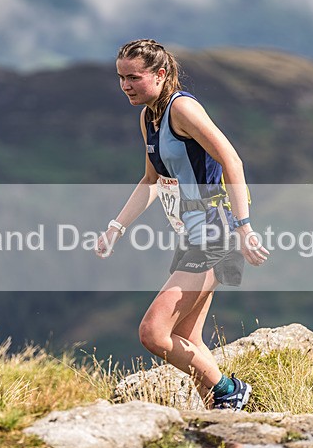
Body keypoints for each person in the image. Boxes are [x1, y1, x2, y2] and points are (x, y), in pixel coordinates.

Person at [96, 38, 269, 410]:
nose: (125, 85)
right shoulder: (148, 118)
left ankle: (228, 390)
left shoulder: (183, 109)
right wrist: (116, 228)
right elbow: (151, 180)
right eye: (121, 78)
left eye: (134, 77)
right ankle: (222, 416)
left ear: (160, 74)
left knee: (153, 333)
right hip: (192, 236)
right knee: (188, 336)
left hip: (216, 232)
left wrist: (244, 226)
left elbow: (231, 161)